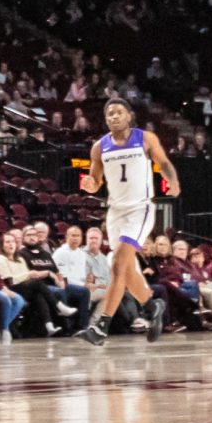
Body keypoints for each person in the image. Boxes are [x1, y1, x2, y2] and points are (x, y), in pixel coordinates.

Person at [76, 97, 180, 345]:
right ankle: (151, 304)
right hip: (115, 212)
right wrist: (91, 185)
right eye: (109, 114)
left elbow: (163, 163)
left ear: (129, 116)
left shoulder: (145, 138)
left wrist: (173, 181)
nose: (113, 117)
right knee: (125, 267)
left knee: (118, 263)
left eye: (118, 112)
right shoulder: (99, 147)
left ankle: (101, 327)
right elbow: (96, 180)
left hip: (139, 208)